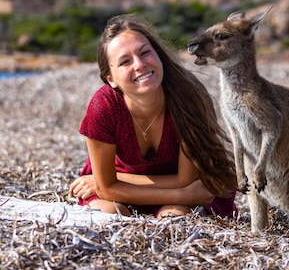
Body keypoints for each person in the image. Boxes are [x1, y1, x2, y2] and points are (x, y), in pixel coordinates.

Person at [69, 13, 238, 218]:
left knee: (175, 221)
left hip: (183, 187)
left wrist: (107, 181)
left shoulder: (187, 97)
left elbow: (184, 181)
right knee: (107, 216)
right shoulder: (103, 107)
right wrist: (184, 196)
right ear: (111, 79)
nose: (139, 64)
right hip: (123, 192)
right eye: (124, 61)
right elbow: (106, 189)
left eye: (145, 52)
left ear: (158, 56)